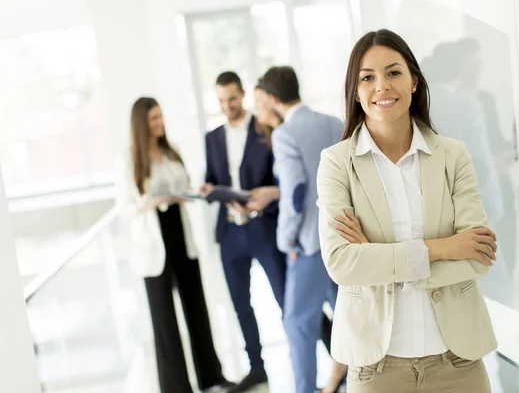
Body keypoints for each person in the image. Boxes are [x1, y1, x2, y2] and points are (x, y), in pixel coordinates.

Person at [316, 29, 498, 392]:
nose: (382, 86)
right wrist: (444, 248)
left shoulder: (452, 155)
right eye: (367, 77)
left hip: (457, 362)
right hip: (377, 368)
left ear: (414, 81)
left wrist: (377, 257)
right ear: (355, 91)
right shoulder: (336, 163)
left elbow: (478, 255)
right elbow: (342, 263)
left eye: (393, 72)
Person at [115, 97, 231, 393]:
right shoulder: (129, 159)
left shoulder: (171, 150)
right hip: (154, 247)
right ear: (140, 123)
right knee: (164, 322)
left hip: (181, 236)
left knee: (197, 310)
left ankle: (212, 377)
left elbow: (183, 186)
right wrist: (151, 202)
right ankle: (176, 388)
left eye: (159, 117)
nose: (159, 123)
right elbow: (126, 208)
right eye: (152, 119)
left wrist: (193, 192)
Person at [250, 80, 346, 393]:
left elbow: (295, 193)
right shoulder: (334, 122)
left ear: (274, 98)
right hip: (345, 234)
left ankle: (304, 389)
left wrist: (286, 240)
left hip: (311, 243)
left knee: (297, 323)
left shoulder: (285, 134)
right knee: (348, 317)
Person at [199, 72, 286, 392]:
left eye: (232, 99)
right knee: (241, 304)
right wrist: (208, 189)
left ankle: (332, 359)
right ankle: (256, 368)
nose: (227, 106)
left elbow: (283, 181)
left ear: (243, 95)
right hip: (230, 234)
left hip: (263, 227)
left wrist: (259, 203)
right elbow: (212, 177)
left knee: (286, 298)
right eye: (221, 101)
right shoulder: (212, 138)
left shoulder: (265, 130)